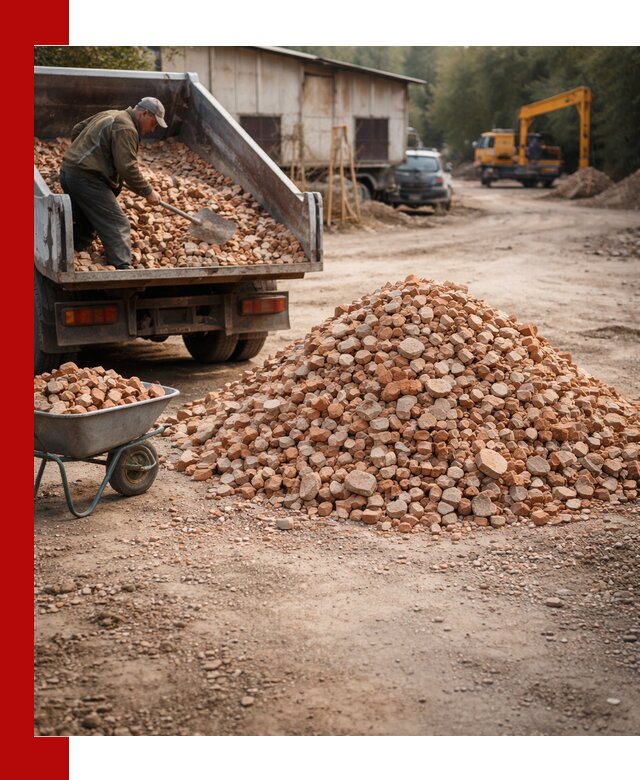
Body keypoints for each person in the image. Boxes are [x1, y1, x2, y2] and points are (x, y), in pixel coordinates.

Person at [59, 97, 167, 270]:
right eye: (153, 123)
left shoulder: (111, 114)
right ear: (144, 113)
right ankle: (122, 268)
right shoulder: (127, 128)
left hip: (68, 173)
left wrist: (85, 156)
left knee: (88, 218)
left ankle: (76, 250)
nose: (152, 129)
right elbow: (127, 167)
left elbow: (77, 129)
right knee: (118, 223)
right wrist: (148, 191)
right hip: (86, 179)